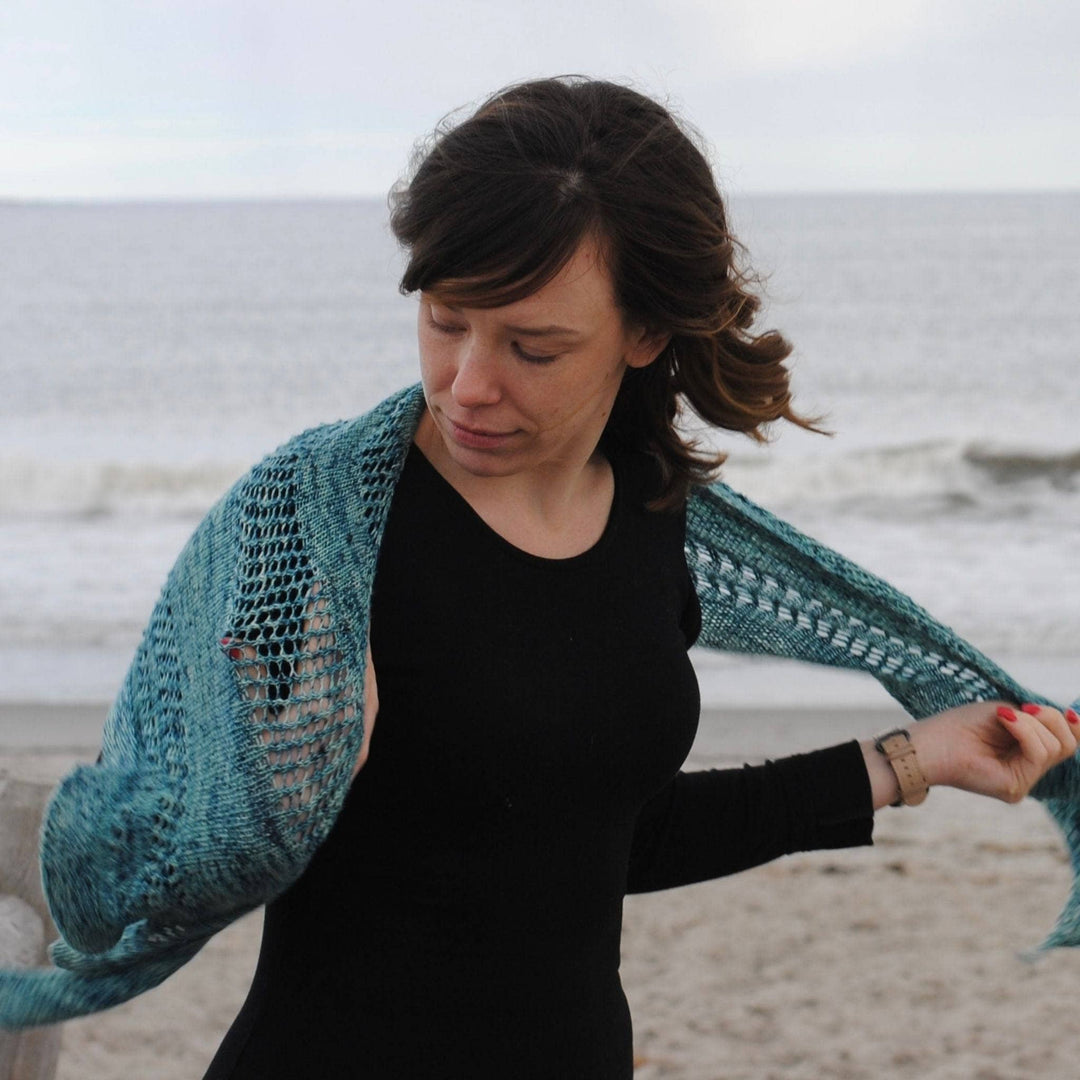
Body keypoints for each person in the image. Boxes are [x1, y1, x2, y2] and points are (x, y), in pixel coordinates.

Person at [0, 76, 1075, 1076]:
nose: (468, 383)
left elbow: (595, 839)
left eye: (533, 347)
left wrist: (910, 758)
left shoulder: (658, 524)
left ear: (647, 332)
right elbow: (115, 877)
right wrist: (272, 787)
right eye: (445, 320)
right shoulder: (309, 525)